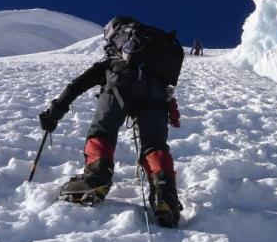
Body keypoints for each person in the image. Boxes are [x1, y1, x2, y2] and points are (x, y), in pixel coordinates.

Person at [38, 16, 183, 227]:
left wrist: (53, 113)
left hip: (119, 85)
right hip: (156, 93)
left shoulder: (112, 60)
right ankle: (165, 194)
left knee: (102, 131)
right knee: (155, 145)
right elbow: (167, 96)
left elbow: (76, 86)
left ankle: (96, 177)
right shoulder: (155, 64)